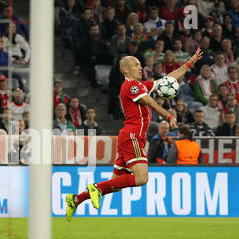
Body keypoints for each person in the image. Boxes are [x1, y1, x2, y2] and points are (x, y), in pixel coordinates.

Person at [65, 48, 203, 221]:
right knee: (141, 178)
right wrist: (168, 115)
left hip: (128, 137)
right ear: (125, 69)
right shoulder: (130, 86)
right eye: (136, 64)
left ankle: (76, 199)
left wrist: (189, 63)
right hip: (132, 136)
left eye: (140, 64)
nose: (140, 67)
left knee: (114, 185)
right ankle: (96, 189)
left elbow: (166, 80)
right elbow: (149, 101)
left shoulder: (140, 86)